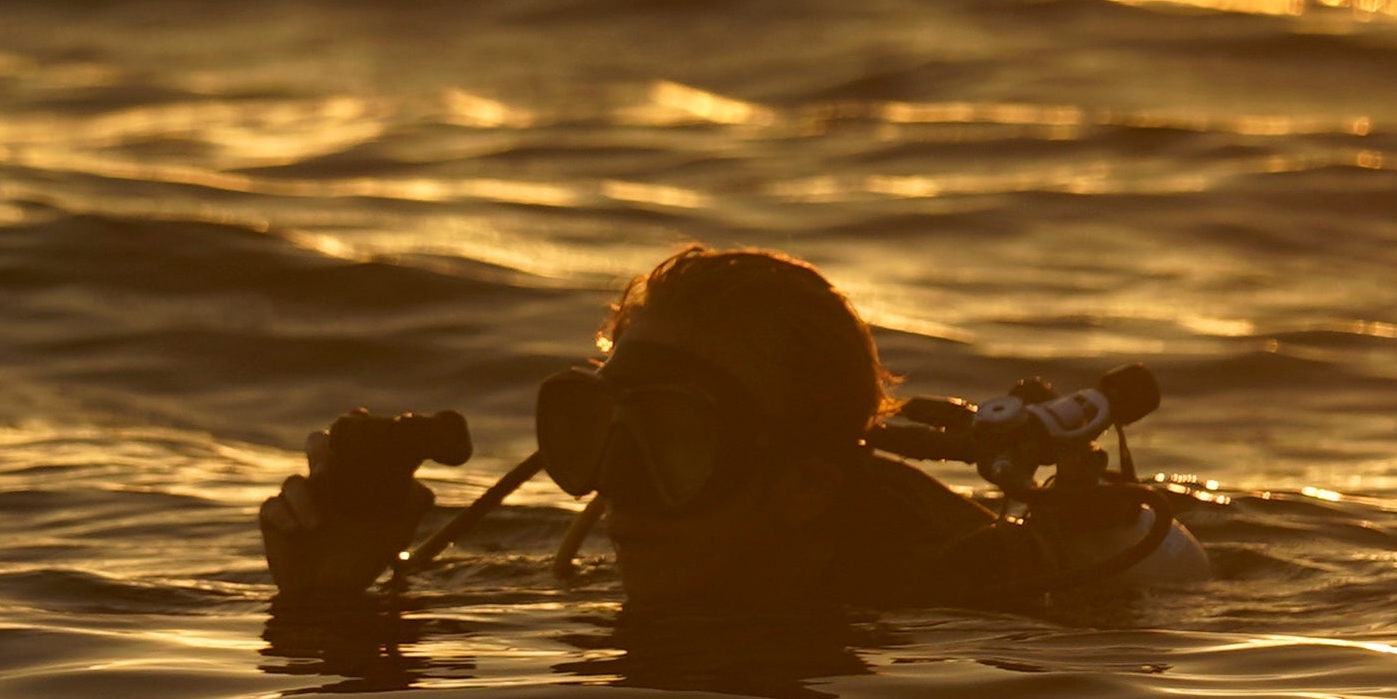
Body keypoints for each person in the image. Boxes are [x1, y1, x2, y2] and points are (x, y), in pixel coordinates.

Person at [261, 246, 1050, 617]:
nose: (619, 481)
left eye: (676, 434)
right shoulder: (640, 586)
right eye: (604, 426)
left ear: (804, 488)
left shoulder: (938, 614)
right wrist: (326, 596)